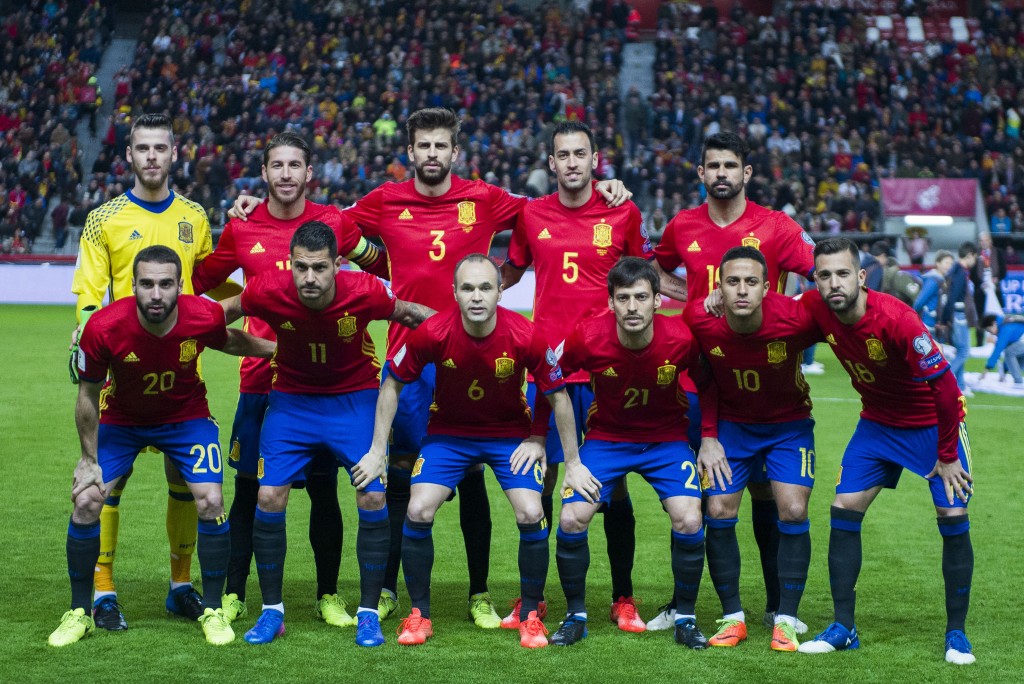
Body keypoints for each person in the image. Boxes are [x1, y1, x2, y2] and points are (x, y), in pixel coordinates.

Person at [233, 107, 630, 626]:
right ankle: (393, 590)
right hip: (411, 358)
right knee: (400, 475)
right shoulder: (384, 200)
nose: (432, 154)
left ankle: (478, 593)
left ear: (454, 152)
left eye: (441, 146)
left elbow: (549, 208)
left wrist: (607, 187)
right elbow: (329, 224)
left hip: (475, 359)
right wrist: (258, 207)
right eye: (424, 146)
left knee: (469, 477)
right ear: (411, 152)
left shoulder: (485, 198)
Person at [192, 132, 389, 629]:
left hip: (330, 382)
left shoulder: (335, 224)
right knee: (247, 489)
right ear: (264, 173)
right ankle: (237, 593)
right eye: (276, 165)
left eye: (293, 165)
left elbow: (385, 265)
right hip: (263, 380)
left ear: (308, 172)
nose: (284, 174)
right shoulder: (243, 228)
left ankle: (327, 595)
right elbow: (200, 281)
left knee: (325, 491)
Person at [219, 221, 433, 646]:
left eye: (319, 268)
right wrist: (179, 326)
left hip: (352, 401)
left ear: (337, 264)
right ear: (290, 264)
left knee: (372, 494)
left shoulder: (366, 291)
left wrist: (463, 334)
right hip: (291, 402)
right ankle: (272, 612)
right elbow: (219, 315)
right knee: (266, 495)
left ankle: (368, 613)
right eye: (301, 267)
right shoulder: (267, 290)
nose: (310, 278)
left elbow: (412, 314)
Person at [49, 246, 275, 648]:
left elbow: (229, 340)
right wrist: (87, 460)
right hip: (123, 420)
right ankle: (80, 611)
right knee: (86, 501)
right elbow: (87, 394)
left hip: (186, 418)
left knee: (210, 500)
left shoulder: (200, 315)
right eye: (148, 284)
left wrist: (279, 351)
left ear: (179, 286)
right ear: (132, 285)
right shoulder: (103, 327)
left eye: (166, 284)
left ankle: (212, 608)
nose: (156, 294)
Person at [70, 112, 237, 631]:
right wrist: (85, 342)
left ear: (173, 153)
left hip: (181, 372)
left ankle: (181, 586)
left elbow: (209, 283)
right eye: (141, 149)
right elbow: (88, 298)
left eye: (159, 148)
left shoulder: (194, 215)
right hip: (122, 370)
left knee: (185, 483)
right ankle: (101, 591)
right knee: (104, 488)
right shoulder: (104, 218)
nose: (150, 157)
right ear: (128, 155)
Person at [364, 254, 582, 648]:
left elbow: (558, 395)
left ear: (501, 291)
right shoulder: (432, 332)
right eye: (468, 288)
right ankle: (419, 615)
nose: (477, 297)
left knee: (532, 512)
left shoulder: (525, 334)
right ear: (455, 293)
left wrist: (554, 449)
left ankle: (531, 614)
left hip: (508, 435)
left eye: (485, 287)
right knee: (417, 509)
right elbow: (392, 384)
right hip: (449, 435)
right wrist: (379, 449)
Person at [650, 131, 816, 631]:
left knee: (770, 498)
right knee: (694, 502)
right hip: (696, 380)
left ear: (746, 173)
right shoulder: (683, 225)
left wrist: (784, 312)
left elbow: (816, 273)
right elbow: (653, 273)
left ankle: (773, 605)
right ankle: (683, 606)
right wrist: (693, 299)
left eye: (730, 166)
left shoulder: (776, 226)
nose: (721, 173)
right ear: (700, 173)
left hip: (762, 384)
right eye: (712, 166)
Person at [500, 121, 651, 632]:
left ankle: (623, 597)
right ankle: (533, 599)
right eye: (562, 154)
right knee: (538, 481)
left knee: (616, 488)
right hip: (545, 370)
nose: (571, 162)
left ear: (594, 159)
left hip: (608, 369)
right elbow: (509, 273)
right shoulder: (531, 213)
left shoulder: (622, 211)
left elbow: (645, 281)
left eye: (579, 153)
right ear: (551, 162)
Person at [797, 237, 976, 666]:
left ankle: (957, 634)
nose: (834, 283)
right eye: (825, 275)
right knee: (843, 508)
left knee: (952, 514)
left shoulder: (898, 319)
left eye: (842, 273)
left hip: (931, 426)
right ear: (816, 280)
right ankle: (844, 628)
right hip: (877, 424)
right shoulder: (816, 307)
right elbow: (768, 315)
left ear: (861, 276)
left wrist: (947, 455)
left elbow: (947, 389)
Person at [542, 258, 708, 649]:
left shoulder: (682, 338)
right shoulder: (588, 334)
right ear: (611, 303)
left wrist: (710, 439)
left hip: (666, 442)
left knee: (688, 518)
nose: (632, 307)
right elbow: (550, 378)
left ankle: (684, 616)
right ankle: (576, 615)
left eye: (641, 298)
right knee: (571, 518)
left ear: (657, 301)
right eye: (623, 298)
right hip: (607, 440)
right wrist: (549, 446)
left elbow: (709, 385)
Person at [684, 247, 822, 652]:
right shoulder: (699, 319)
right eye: (732, 282)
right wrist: (708, 436)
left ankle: (787, 619)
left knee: (793, 510)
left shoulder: (795, 318)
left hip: (789, 426)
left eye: (750, 282)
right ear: (719, 288)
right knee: (718, 510)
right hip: (733, 428)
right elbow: (703, 378)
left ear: (766, 287)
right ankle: (733, 617)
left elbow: (842, 328)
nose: (741, 290)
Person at [938, 242, 978, 395]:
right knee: (964, 351)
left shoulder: (954, 270)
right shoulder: (961, 273)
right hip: (959, 315)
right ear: (969, 255)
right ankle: (943, 380)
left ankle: (960, 385)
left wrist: (945, 318)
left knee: (960, 350)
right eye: (974, 257)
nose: (974, 261)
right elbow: (953, 297)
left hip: (953, 315)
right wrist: (945, 319)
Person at [970, 231, 1007, 344]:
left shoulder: (998, 253)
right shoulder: (975, 254)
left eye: (986, 240)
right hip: (980, 292)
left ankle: (999, 342)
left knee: (997, 317)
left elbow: (1003, 271)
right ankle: (980, 344)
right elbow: (972, 274)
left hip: (995, 290)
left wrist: (996, 279)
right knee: (980, 318)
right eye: (981, 241)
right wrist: (981, 283)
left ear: (990, 241)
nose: (984, 243)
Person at [914, 250, 954, 334]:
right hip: (927, 325)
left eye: (951, 264)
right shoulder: (933, 281)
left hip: (935, 326)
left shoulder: (944, 280)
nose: (949, 266)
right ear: (938, 263)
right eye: (946, 263)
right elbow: (919, 303)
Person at [980, 314, 1024, 385]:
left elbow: (998, 350)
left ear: (994, 323)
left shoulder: (1005, 328)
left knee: (1009, 352)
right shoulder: (1005, 323)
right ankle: (1017, 379)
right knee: (1012, 356)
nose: (991, 333)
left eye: (989, 330)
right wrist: (1003, 372)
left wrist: (986, 369)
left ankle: (1018, 382)